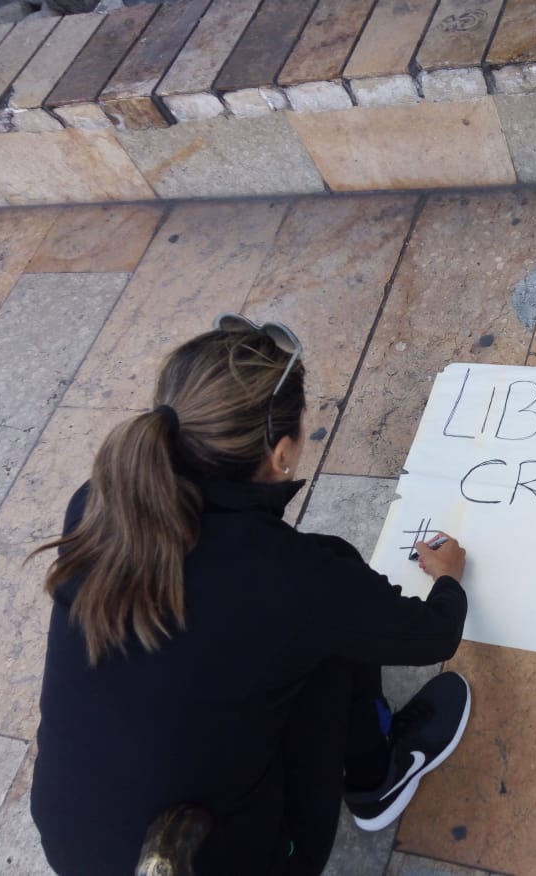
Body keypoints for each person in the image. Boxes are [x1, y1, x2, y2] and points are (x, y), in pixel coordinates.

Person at [30, 313, 470, 875]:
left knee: (305, 624)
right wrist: (450, 579)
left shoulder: (100, 502)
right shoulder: (296, 577)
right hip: (230, 861)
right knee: (332, 629)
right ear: (282, 455)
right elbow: (434, 635)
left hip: (80, 846)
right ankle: (378, 778)